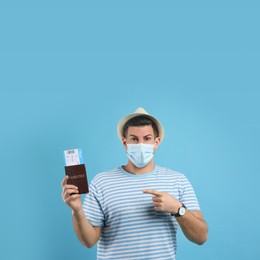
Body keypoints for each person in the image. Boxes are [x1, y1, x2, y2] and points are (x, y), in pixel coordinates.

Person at [62, 107, 208, 260]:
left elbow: (201, 237)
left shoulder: (178, 181)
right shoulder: (101, 182)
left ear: (156, 142)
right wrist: (77, 210)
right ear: (125, 142)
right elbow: (88, 241)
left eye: (147, 138)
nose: (140, 144)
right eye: (134, 139)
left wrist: (178, 209)